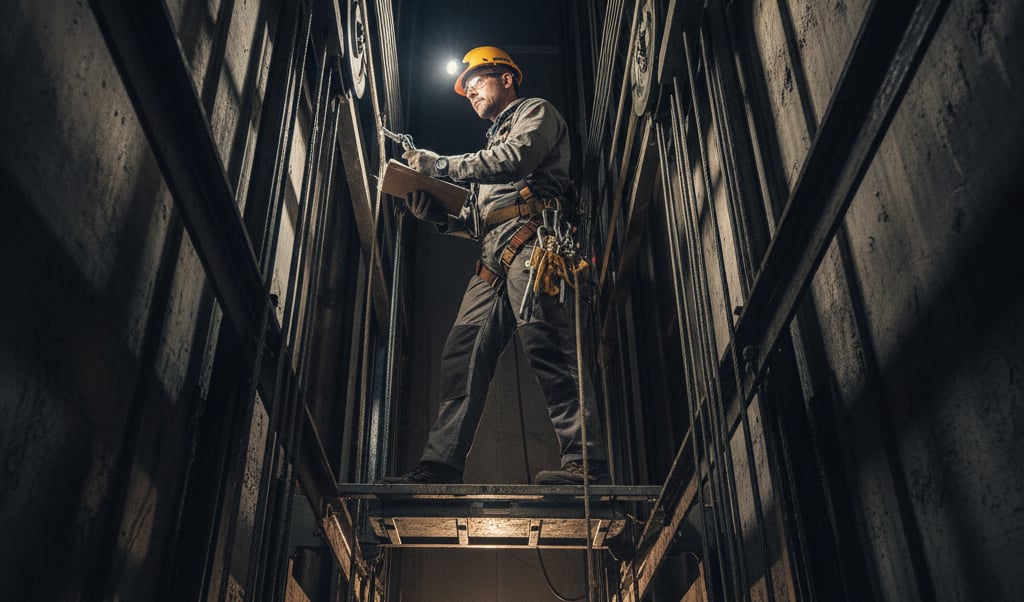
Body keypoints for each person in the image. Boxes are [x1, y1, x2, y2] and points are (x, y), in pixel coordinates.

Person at [382, 46, 608, 486]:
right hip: (492, 262)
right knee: (461, 354)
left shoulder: (536, 115)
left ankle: (586, 464)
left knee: (548, 345)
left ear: (507, 78)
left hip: (534, 247)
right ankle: (440, 465)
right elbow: (481, 218)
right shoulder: (490, 147)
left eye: (476, 82)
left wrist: (441, 165)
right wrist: (439, 214)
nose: (469, 92)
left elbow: (516, 161)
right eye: (465, 90)